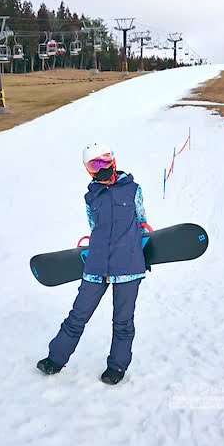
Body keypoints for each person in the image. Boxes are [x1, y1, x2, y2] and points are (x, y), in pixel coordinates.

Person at [38, 143, 148, 385]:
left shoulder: (133, 190)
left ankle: (117, 367)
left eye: (105, 160)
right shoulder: (91, 197)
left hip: (128, 267)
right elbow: (93, 226)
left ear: (113, 160)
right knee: (77, 315)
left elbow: (142, 221)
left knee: (123, 321)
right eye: (95, 164)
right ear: (88, 170)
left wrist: (140, 251)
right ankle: (56, 359)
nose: (102, 167)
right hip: (96, 267)